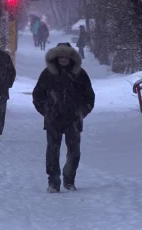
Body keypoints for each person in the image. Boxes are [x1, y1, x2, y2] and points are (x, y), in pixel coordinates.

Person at [32, 42, 95, 193]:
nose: (63, 59)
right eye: (60, 56)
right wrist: (47, 111)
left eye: (66, 56)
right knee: (52, 151)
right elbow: (37, 96)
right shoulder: (47, 74)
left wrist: (81, 112)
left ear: (71, 58)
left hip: (73, 120)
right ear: (56, 57)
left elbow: (89, 97)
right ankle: (53, 181)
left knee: (74, 151)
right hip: (53, 120)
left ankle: (69, 180)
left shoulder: (80, 74)